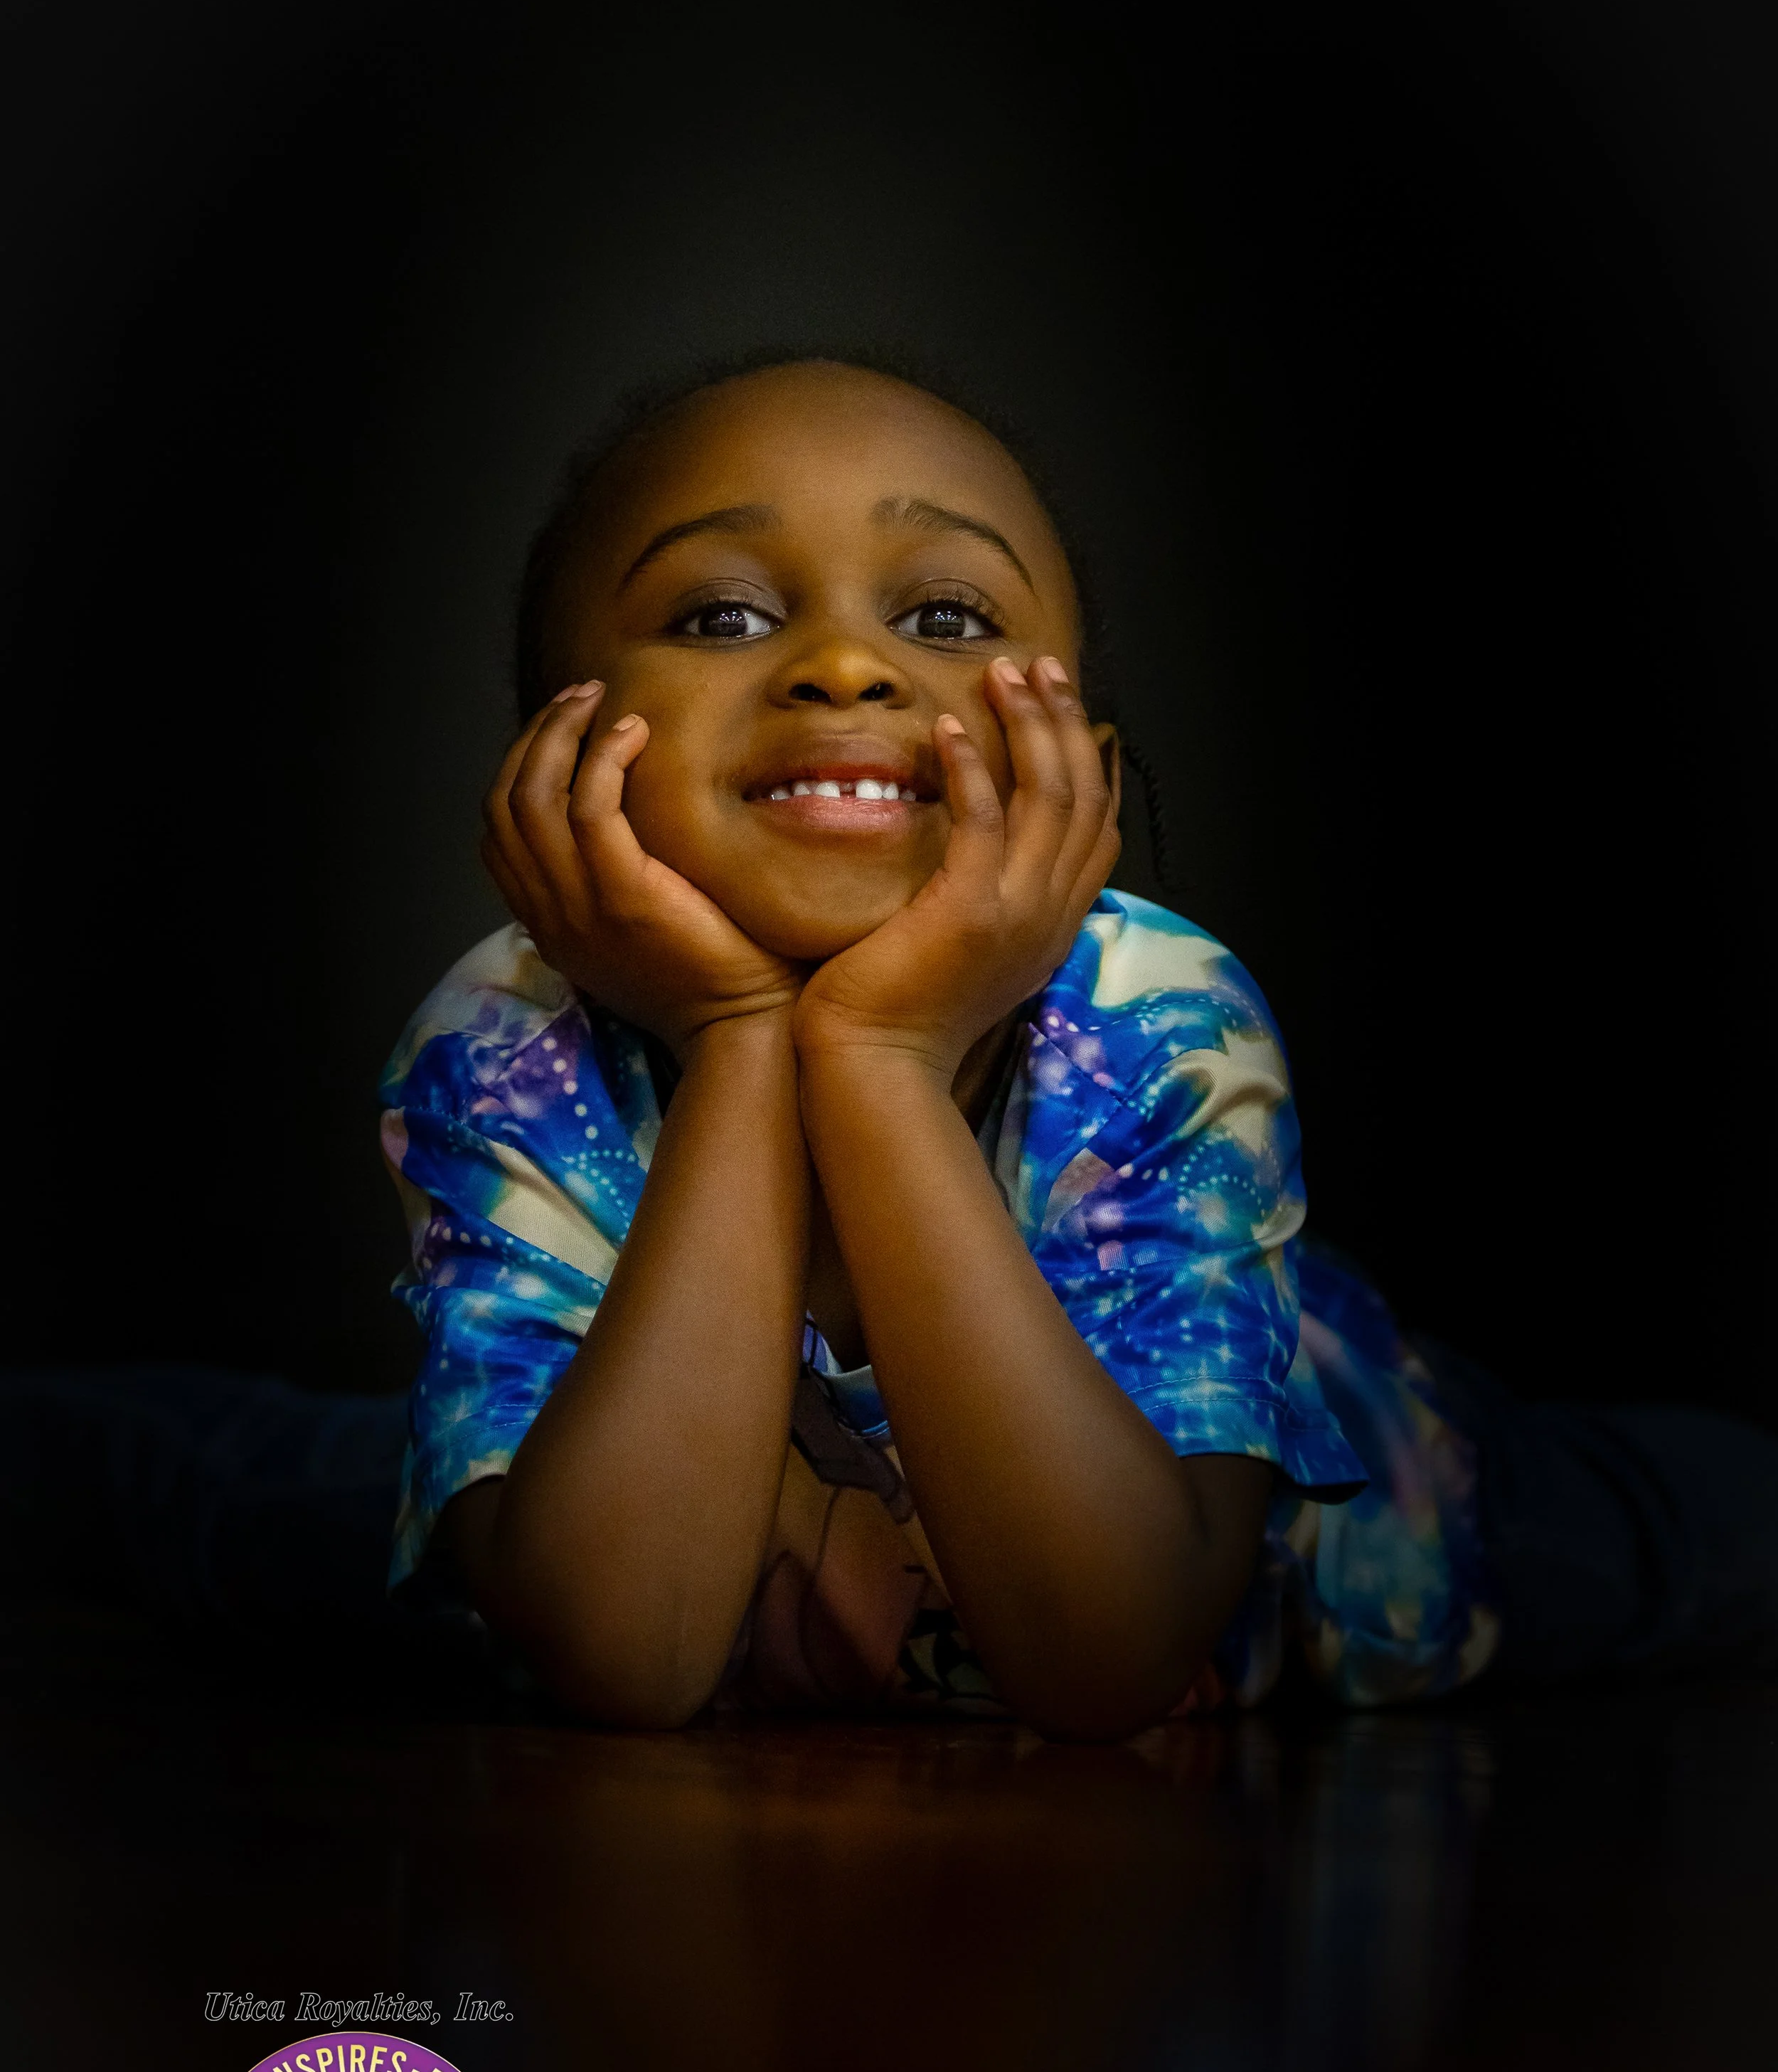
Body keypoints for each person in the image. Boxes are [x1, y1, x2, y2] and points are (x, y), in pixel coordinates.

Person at [9, 358, 1775, 1726]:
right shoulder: (507, 1041)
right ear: (557, 752)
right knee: (222, 1495)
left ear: (1078, 767)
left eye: (944, 617)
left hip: (1387, 1527)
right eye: (721, 614)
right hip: (636, 1519)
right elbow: (620, 1652)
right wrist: (736, 1034)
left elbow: (1107, 1654)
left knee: (1691, 1529)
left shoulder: (1151, 1017)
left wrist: (873, 1057)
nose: (845, 668)